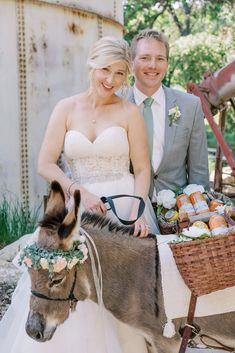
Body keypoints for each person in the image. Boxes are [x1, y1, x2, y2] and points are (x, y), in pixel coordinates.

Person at [0, 36, 159, 353]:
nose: (111, 81)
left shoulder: (129, 113)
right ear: (91, 65)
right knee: (63, 280)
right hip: (78, 213)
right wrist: (79, 191)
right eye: (105, 70)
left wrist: (140, 210)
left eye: (119, 74)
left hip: (121, 212)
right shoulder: (66, 108)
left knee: (118, 295)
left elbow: (142, 169)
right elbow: (46, 163)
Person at [128, 29, 210, 199]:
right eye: (145, 58)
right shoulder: (115, 104)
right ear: (131, 62)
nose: (153, 65)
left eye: (160, 58)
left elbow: (198, 170)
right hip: (128, 210)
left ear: (167, 63)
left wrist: (198, 216)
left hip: (178, 211)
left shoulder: (190, 105)